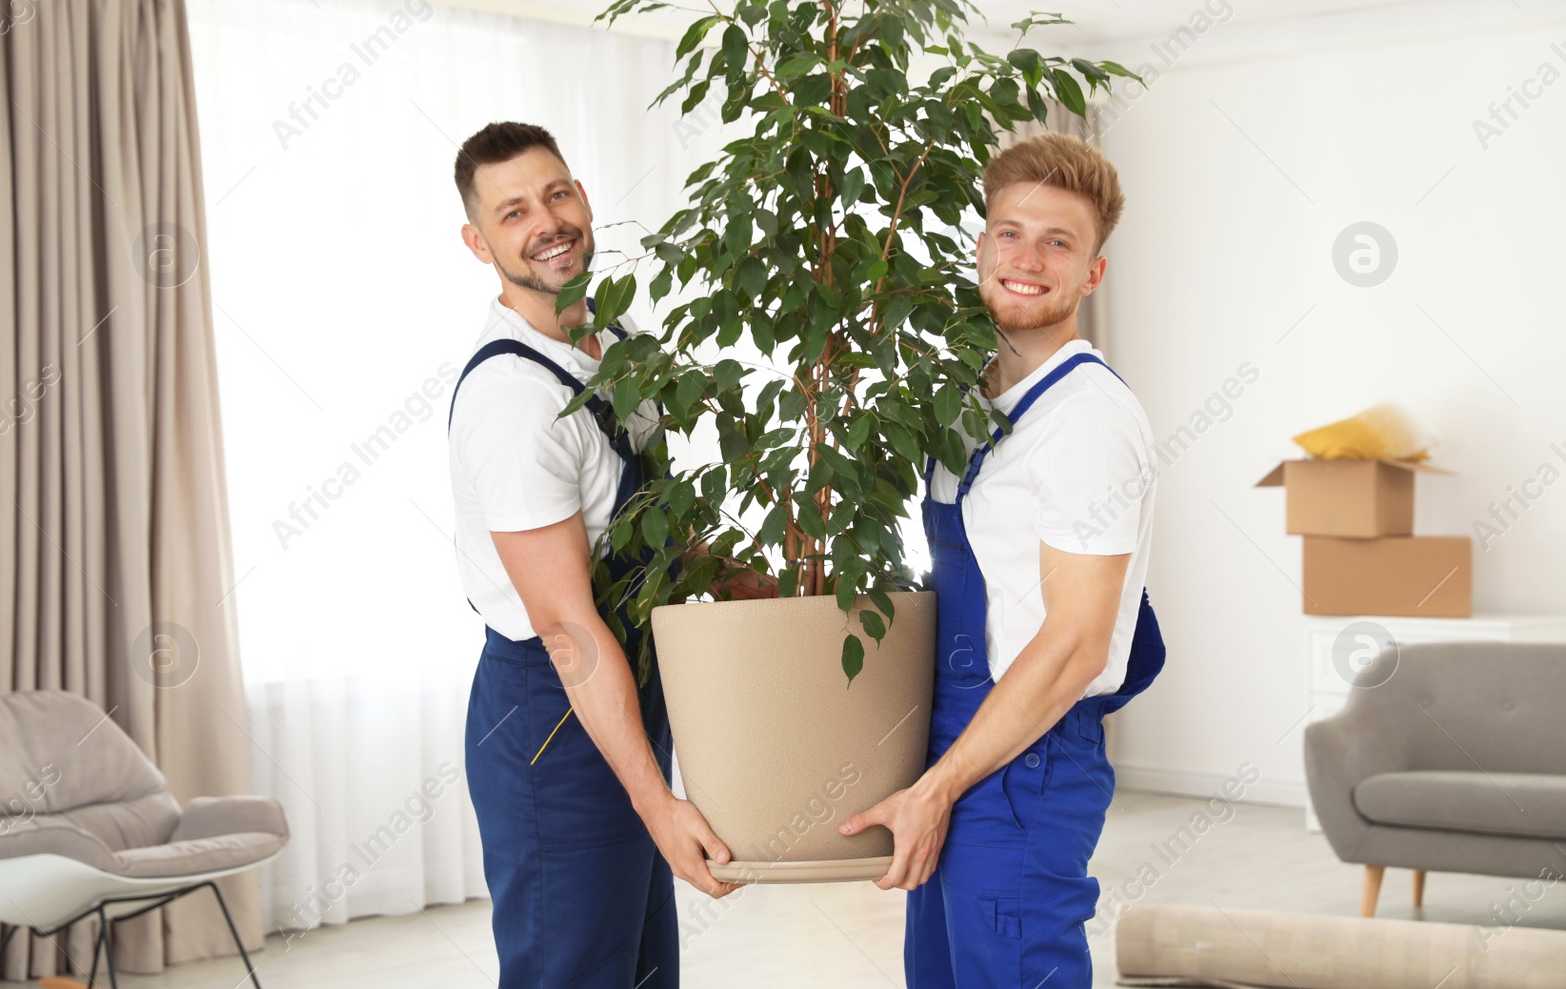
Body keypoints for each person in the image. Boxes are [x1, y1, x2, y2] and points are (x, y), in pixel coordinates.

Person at [839, 132, 1166, 988]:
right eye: (1010, 233)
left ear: (1092, 274)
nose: (1028, 258)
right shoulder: (973, 399)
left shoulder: (1086, 419)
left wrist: (939, 786)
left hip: (1029, 761)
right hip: (959, 746)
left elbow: (1077, 642)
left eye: (1059, 242)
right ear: (981, 245)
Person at [445, 122, 763, 988]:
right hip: (555, 719)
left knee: (643, 972)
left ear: (583, 198)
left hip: (629, 696)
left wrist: (777, 594)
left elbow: (656, 527)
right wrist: (657, 802)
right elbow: (566, 627)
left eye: (556, 194)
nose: (545, 220)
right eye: (512, 211)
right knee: (577, 972)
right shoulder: (512, 399)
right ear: (479, 242)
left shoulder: (615, 331)